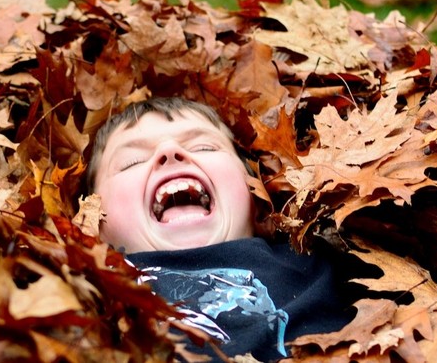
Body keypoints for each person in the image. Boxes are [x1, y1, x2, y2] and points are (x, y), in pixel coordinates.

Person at [87, 97, 357, 362]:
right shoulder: (87, 289)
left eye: (205, 147)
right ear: (90, 219)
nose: (168, 152)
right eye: (132, 161)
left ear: (260, 203)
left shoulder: (317, 257)